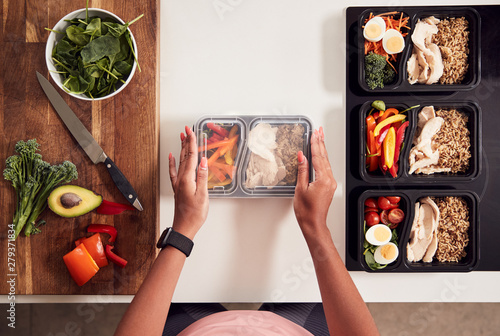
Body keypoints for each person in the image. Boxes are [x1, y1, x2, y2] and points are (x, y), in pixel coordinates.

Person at [114, 126, 379, 336]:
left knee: (185, 294)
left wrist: (184, 228)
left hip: (196, 328)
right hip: (293, 328)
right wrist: (316, 227)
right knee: (303, 291)